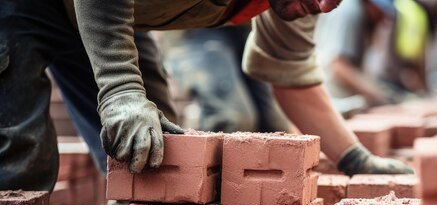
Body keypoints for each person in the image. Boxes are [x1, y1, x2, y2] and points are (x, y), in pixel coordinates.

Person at [0, 0, 413, 192]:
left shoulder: (305, 1)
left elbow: (294, 78)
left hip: (110, 13)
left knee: (154, 169)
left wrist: (357, 160)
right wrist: (121, 89)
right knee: (22, 161)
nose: (327, 6)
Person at [158, 26, 293, 134]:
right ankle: (209, 165)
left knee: (274, 125)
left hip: (247, 23)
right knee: (231, 119)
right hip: (196, 24)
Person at [315, 0, 398, 109]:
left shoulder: (363, 16)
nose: (383, 17)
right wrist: (378, 95)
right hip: (332, 94)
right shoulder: (350, 10)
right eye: (381, 11)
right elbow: (338, 67)